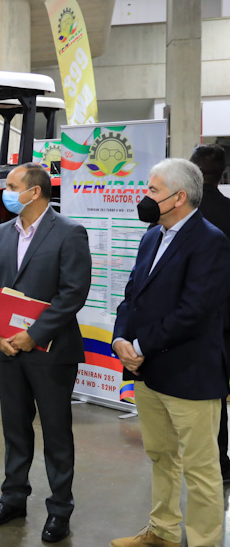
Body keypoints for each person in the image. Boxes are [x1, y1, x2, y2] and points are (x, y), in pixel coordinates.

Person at [111, 159, 230, 547]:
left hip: (190, 375)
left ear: (179, 197)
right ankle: (162, 531)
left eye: (153, 190)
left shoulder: (210, 241)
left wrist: (139, 347)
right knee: (161, 456)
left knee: (200, 469)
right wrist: (120, 338)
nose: (144, 196)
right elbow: (132, 294)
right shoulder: (152, 236)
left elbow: (193, 312)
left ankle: (204, 541)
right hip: (149, 373)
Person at [0, 163, 91, 543]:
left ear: (35, 192)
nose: (5, 192)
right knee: (14, 429)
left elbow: (73, 293)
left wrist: (34, 334)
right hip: (8, 350)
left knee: (56, 433)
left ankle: (59, 509)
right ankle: (13, 499)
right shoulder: (2, 232)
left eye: (12, 186)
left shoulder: (69, 232)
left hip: (52, 353)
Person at [189, 144, 230, 485]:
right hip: (224, 321)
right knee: (217, 391)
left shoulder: (179, 216)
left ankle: (190, 462)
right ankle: (220, 464)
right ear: (223, 173)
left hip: (184, 323)